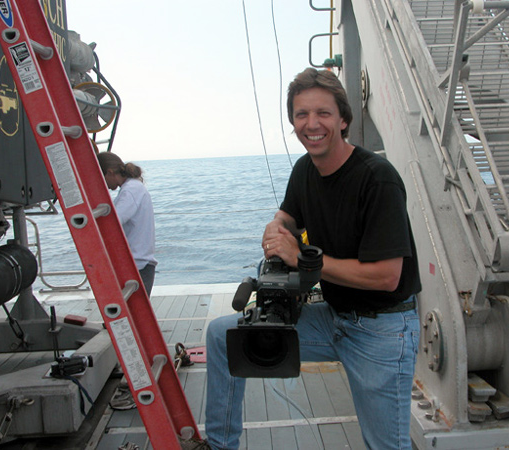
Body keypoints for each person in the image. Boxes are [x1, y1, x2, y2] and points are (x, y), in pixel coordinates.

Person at [204, 68, 421, 449]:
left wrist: (304, 260)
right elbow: (288, 215)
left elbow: (387, 276)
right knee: (222, 336)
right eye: (301, 114)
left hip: (382, 329)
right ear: (293, 123)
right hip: (333, 319)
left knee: (386, 445)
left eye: (322, 113)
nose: (312, 123)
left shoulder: (377, 179)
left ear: (343, 120)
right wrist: (275, 229)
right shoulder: (306, 169)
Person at [96, 151, 157, 295]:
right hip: (140, 263)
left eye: (102, 178)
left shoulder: (130, 190)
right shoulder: (132, 188)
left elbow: (114, 221)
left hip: (138, 265)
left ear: (110, 172)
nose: (102, 184)